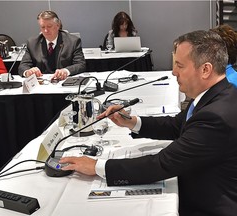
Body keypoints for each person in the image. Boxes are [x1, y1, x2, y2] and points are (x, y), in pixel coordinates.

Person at [60, 30, 237, 215]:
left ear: (205, 70)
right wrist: (132, 122)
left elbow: (162, 164)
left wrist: (97, 166)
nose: (173, 72)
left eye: (180, 65)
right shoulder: (215, 94)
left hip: (207, 206)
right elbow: (177, 125)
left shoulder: (216, 116)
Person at [18, 10, 86, 80]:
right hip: (41, 84)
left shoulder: (73, 41)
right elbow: (23, 66)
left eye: (49, 26)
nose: (46, 31)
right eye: (43, 27)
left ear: (58, 26)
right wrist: (28, 72)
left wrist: (65, 71)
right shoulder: (32, 43)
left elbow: (81, 65)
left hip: (64, 82)